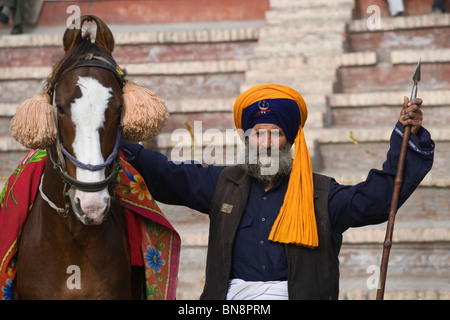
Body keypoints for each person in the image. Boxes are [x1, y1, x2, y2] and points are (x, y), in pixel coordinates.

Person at [120, 84, 434, 299]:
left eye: (276, 134)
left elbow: (376, 200)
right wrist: (109, 139)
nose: (266, 143)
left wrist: (408, 138)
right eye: (258, 135)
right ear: (247, 140)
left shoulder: (322, 193)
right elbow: (165, 173)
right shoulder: (223, 184)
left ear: (291, 141)